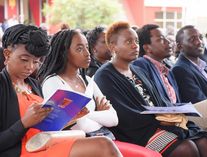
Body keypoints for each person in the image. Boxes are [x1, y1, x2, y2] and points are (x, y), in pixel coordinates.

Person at [94, 21, 207, 157]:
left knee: (204, 141)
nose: (135, 45)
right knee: (186, 148)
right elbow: (124, 116)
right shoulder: (105, 76)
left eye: (136, 41)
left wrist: (172, 113)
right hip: (138, 133)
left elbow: (159, 100)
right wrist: (159, 120)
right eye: (128, 42)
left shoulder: (137, 70)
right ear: (113, 46)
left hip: (158, 122)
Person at [0, 24, 122, 157]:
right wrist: (24, 123)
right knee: (103, 145)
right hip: (22, 151)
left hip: (45, 144)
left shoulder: (34, 85)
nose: (30, 67)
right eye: (24, 59)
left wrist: (68, 118)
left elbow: (45, 129)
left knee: (104, 144)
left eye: (36, 62)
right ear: (7, 54)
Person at [38, 29, 162, 157]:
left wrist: (85, 113)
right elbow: (80, 125)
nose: (87, 53)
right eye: (79, 49)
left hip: (104, 136)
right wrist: (97, 114)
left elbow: (113, 119)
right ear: (64, 53)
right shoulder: (53, 82)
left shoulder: (88, 80)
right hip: (78, 143)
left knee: (153, 155)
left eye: (87, 47)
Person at [134, 23, 207, 157]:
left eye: (199, 37)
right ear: (147, 48)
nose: (168, 42)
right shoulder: (141, 65)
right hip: (170, 116)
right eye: (161, 39)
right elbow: (154, 103)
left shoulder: (166, 68)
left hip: (181, 113)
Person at [171, 25, 207, 104]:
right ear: (180, 46)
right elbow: (199, 102)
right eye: (192, 39)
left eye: (200, 37)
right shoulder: (180, 70)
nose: (199, 42)